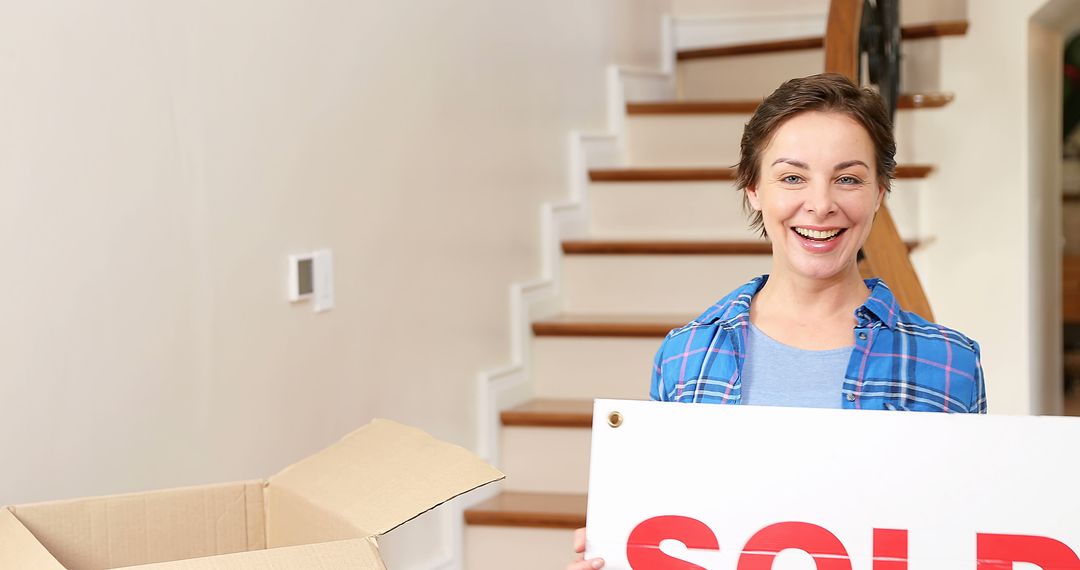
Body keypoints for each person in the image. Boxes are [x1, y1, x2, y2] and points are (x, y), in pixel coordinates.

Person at [566, 73, 986, 570]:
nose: (821, 203)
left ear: (879, 193)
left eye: (848, 178)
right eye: (792, 177)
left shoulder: (950, 362)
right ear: (754, 190)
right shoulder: (685, 356)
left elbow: (966, 536)